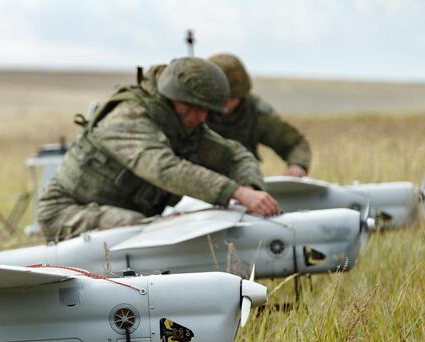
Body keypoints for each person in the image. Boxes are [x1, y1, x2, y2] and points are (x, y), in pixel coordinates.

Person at [37, 56, 280, 242]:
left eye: (207, 110)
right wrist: (235, 192)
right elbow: (163, 168)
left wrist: (250, 188)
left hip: (124, 211)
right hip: (65, 211)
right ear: (175, 98)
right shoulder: (128, 117)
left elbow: (235, 156)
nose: (202, 117)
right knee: (136, 228)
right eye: (196, 107)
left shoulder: (182, 124)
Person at [206, 53, 311, 178]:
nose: (226, 105)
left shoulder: (256, 112)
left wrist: (297, 165)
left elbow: (295, 143)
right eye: (220, 99)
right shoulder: (191, 109)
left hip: (244, 185)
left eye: (233, 98)